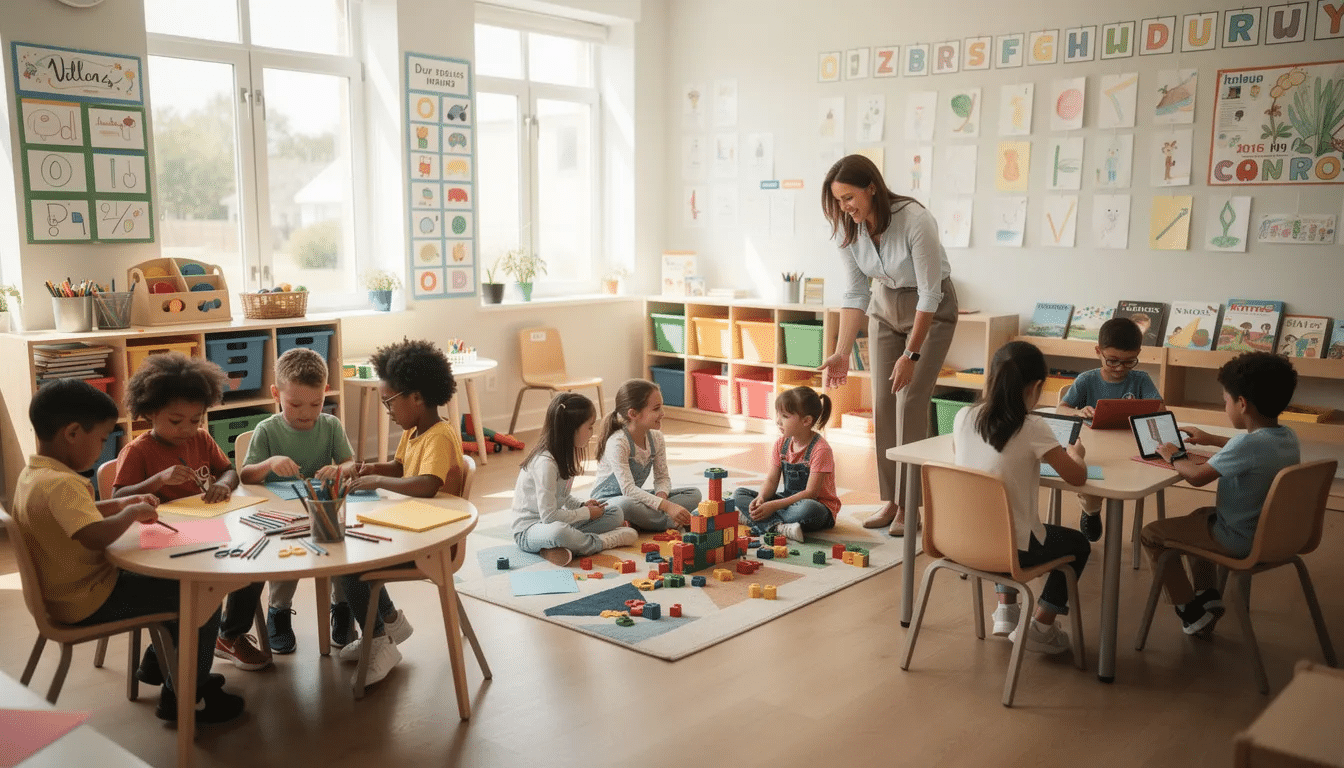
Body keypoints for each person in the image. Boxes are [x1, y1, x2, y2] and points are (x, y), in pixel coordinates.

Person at [16, 379, 244, 723]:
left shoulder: (35, 475)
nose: (102, 448)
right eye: (102, 439)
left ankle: (167, 665)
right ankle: (184, 695)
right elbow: (94, 536)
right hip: (90, 599)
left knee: (177, 589)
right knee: (202, 596)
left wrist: (120, 503)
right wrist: (130, 513)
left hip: (64, 596)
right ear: (73, 433)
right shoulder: (63, 484)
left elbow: (80, 516)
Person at [819, 153, 958, 536]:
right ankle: (892, 500)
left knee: (909, 401)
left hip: (930, 310)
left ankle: (911, 505)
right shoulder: (848, 228)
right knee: (883, 402)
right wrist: (842, 352)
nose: (845, 208)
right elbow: (856, 292)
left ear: (872, 188)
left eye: (849, 198)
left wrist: (911, 354)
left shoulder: (915, 219)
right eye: (839, 201)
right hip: (884, 307)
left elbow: (930, 293)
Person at [112, 352, 270, 672]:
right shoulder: (138, 451)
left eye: (195, 419)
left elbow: (229, 470)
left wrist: (223, 484)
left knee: (254, 564)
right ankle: (165, 656)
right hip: (163, 540)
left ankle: (229, 634)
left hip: (205, 530)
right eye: (176, 421)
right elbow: (118, 497)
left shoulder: (201, 439)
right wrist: (157, 480)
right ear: (151, 412)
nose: (187, 428)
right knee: (204, 585)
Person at [336, 338, 470, 680]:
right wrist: (371, 469)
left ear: (417, 397)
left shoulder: (439, 435)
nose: (388, 411)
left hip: (432, 541)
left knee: (349, 565)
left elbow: (427, 484)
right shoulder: (415, 432)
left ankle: (379, 641)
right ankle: (389, 623)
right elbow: (400, 467)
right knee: (350, 550)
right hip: (415, 528)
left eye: (389, 402)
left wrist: (377, 482)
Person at [1143, 352, 1299, 636]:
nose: (1224, 405)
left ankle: (1190, 611)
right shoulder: (1287, 436)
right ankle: (1207, 596)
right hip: (1276, 534)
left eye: (1225, 400)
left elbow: (1196, 477)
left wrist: (1173, 455)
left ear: (1242, 404)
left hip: (1239, 538)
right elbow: (1252, 447)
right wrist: (1212, 439)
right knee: (1199, 518)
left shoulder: (1246, 446)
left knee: (1152, 535)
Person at [953, 341, 1091, 654]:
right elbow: (1076, 477)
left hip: (961, 540)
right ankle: (1041, 626)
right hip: (1010, 549)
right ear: (1036, 386)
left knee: (997, 517)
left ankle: (1006, 610)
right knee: (1078, 544)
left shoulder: (963, 416)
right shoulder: (1033, 426)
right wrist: (1076, 454)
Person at [239, 348, 357, 655]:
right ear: (275, 394)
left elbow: (350, 463)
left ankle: (342, 608)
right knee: (286, 557)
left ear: (325, 392)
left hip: (324, 510)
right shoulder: (267, 430)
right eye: (294, 404)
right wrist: (270, 462)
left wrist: (340, 469)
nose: (306, 413)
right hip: (281, 516)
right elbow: (246, 475)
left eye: (316, 404)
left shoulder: (330, 425)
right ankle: (278, 611)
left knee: (339, 550)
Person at [1056, 316, 1162, 541]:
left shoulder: (1141, 380)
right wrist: (1077, 412)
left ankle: (1092, 509)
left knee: (1129, 478)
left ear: (1138, 353)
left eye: (1129, 361)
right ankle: (1091, 511)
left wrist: (1146, 408)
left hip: (1130, 450)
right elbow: (1061, 408)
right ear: (1098, 351)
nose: (1120, 368)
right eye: (1112, 361)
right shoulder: (1086, 380)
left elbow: (1160, 409)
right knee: (1091, 478)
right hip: (1096, 451)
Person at [512, 392, 638, 566]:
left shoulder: (565, 454)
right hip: (529, 531)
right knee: (559, 533)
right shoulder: (546, 464)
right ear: (571, 430)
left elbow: (562, 497)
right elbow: (549, 517)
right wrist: (586, 513)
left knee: (615, 513)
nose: (592, 433)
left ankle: (559, 547)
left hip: (554, 522)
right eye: (589, 427)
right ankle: (602, 542)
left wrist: (581, 506)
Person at [731, 386, 841, 543]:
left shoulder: (821, 450)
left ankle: (757, 520)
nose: (778, 421)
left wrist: (773, 506)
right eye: (778, 414)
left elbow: (811, 493)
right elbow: (771, 480)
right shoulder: (781, 444)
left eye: (785, 416)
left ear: (806, 421)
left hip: (817, 506)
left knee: (808, 509)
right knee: (739, 494)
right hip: (787, 502)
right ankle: (778, 527)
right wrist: (762, 498)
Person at [590, 379, 701, 532]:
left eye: (661, 407)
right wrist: (668, 507)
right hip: (609, 502)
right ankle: (669, 522)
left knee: (694, 493)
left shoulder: (656, 438)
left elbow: (662, 478)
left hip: (636, 498)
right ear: (633, 414)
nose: (662, 413)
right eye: (656, 409)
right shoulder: (618, 442)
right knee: (625, 505)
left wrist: (661, 499)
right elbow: (628, 490)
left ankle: (642, 521)